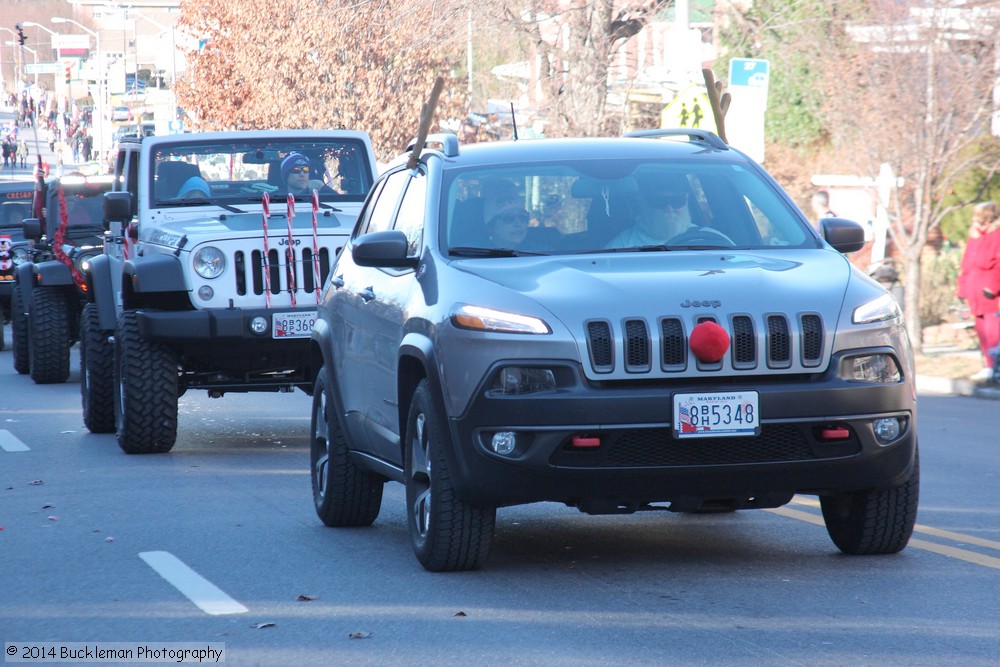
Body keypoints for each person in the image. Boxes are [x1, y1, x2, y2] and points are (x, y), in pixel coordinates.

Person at [956, 201, 1000, 381]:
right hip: (975, 293)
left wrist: (994, 287)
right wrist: (962, 289)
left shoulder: (996, 236)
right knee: (981, 331)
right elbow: (966, 265)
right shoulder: (974, 237)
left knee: (993, 332)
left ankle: (995, 366)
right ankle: (987, 365)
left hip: (990, 294)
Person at [606, 175, 696, 248]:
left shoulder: (708, 237)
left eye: (677, 201)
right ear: (642, 206)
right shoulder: (621, 247)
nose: (669, 209)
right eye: (659, 202)